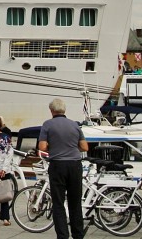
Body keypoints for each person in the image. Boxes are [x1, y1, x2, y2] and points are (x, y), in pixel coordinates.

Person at [38, 98, 89, 239]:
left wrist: (54, 146)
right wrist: (71, 147)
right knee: (75, 202)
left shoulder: (47, 125)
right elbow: (84, 147)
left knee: (59, 202)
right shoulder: (75, 125)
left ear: (51, 111)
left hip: (58, 165)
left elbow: (42, 147)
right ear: (64, 110)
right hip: (75, 165)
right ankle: (78, 234)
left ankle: (63, 236)